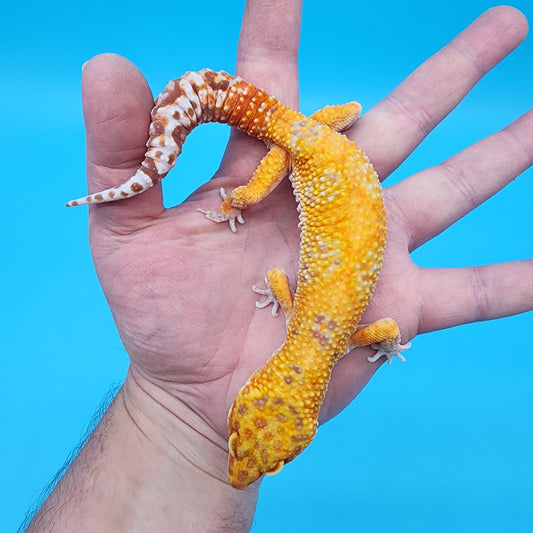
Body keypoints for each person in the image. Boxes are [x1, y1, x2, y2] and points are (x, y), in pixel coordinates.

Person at [26, 0, 532, 530]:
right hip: (307, 150)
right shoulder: (299, 321)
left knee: (347, 112)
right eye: (264, 450)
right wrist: (241, 201)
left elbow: (384, 327)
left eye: (238, 438)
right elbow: (278, 285)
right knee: (261, 181)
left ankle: (329, 123)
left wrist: (386, 344)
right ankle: (252, 180)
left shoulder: (346, 338)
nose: (240, 465)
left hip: (324, 135)